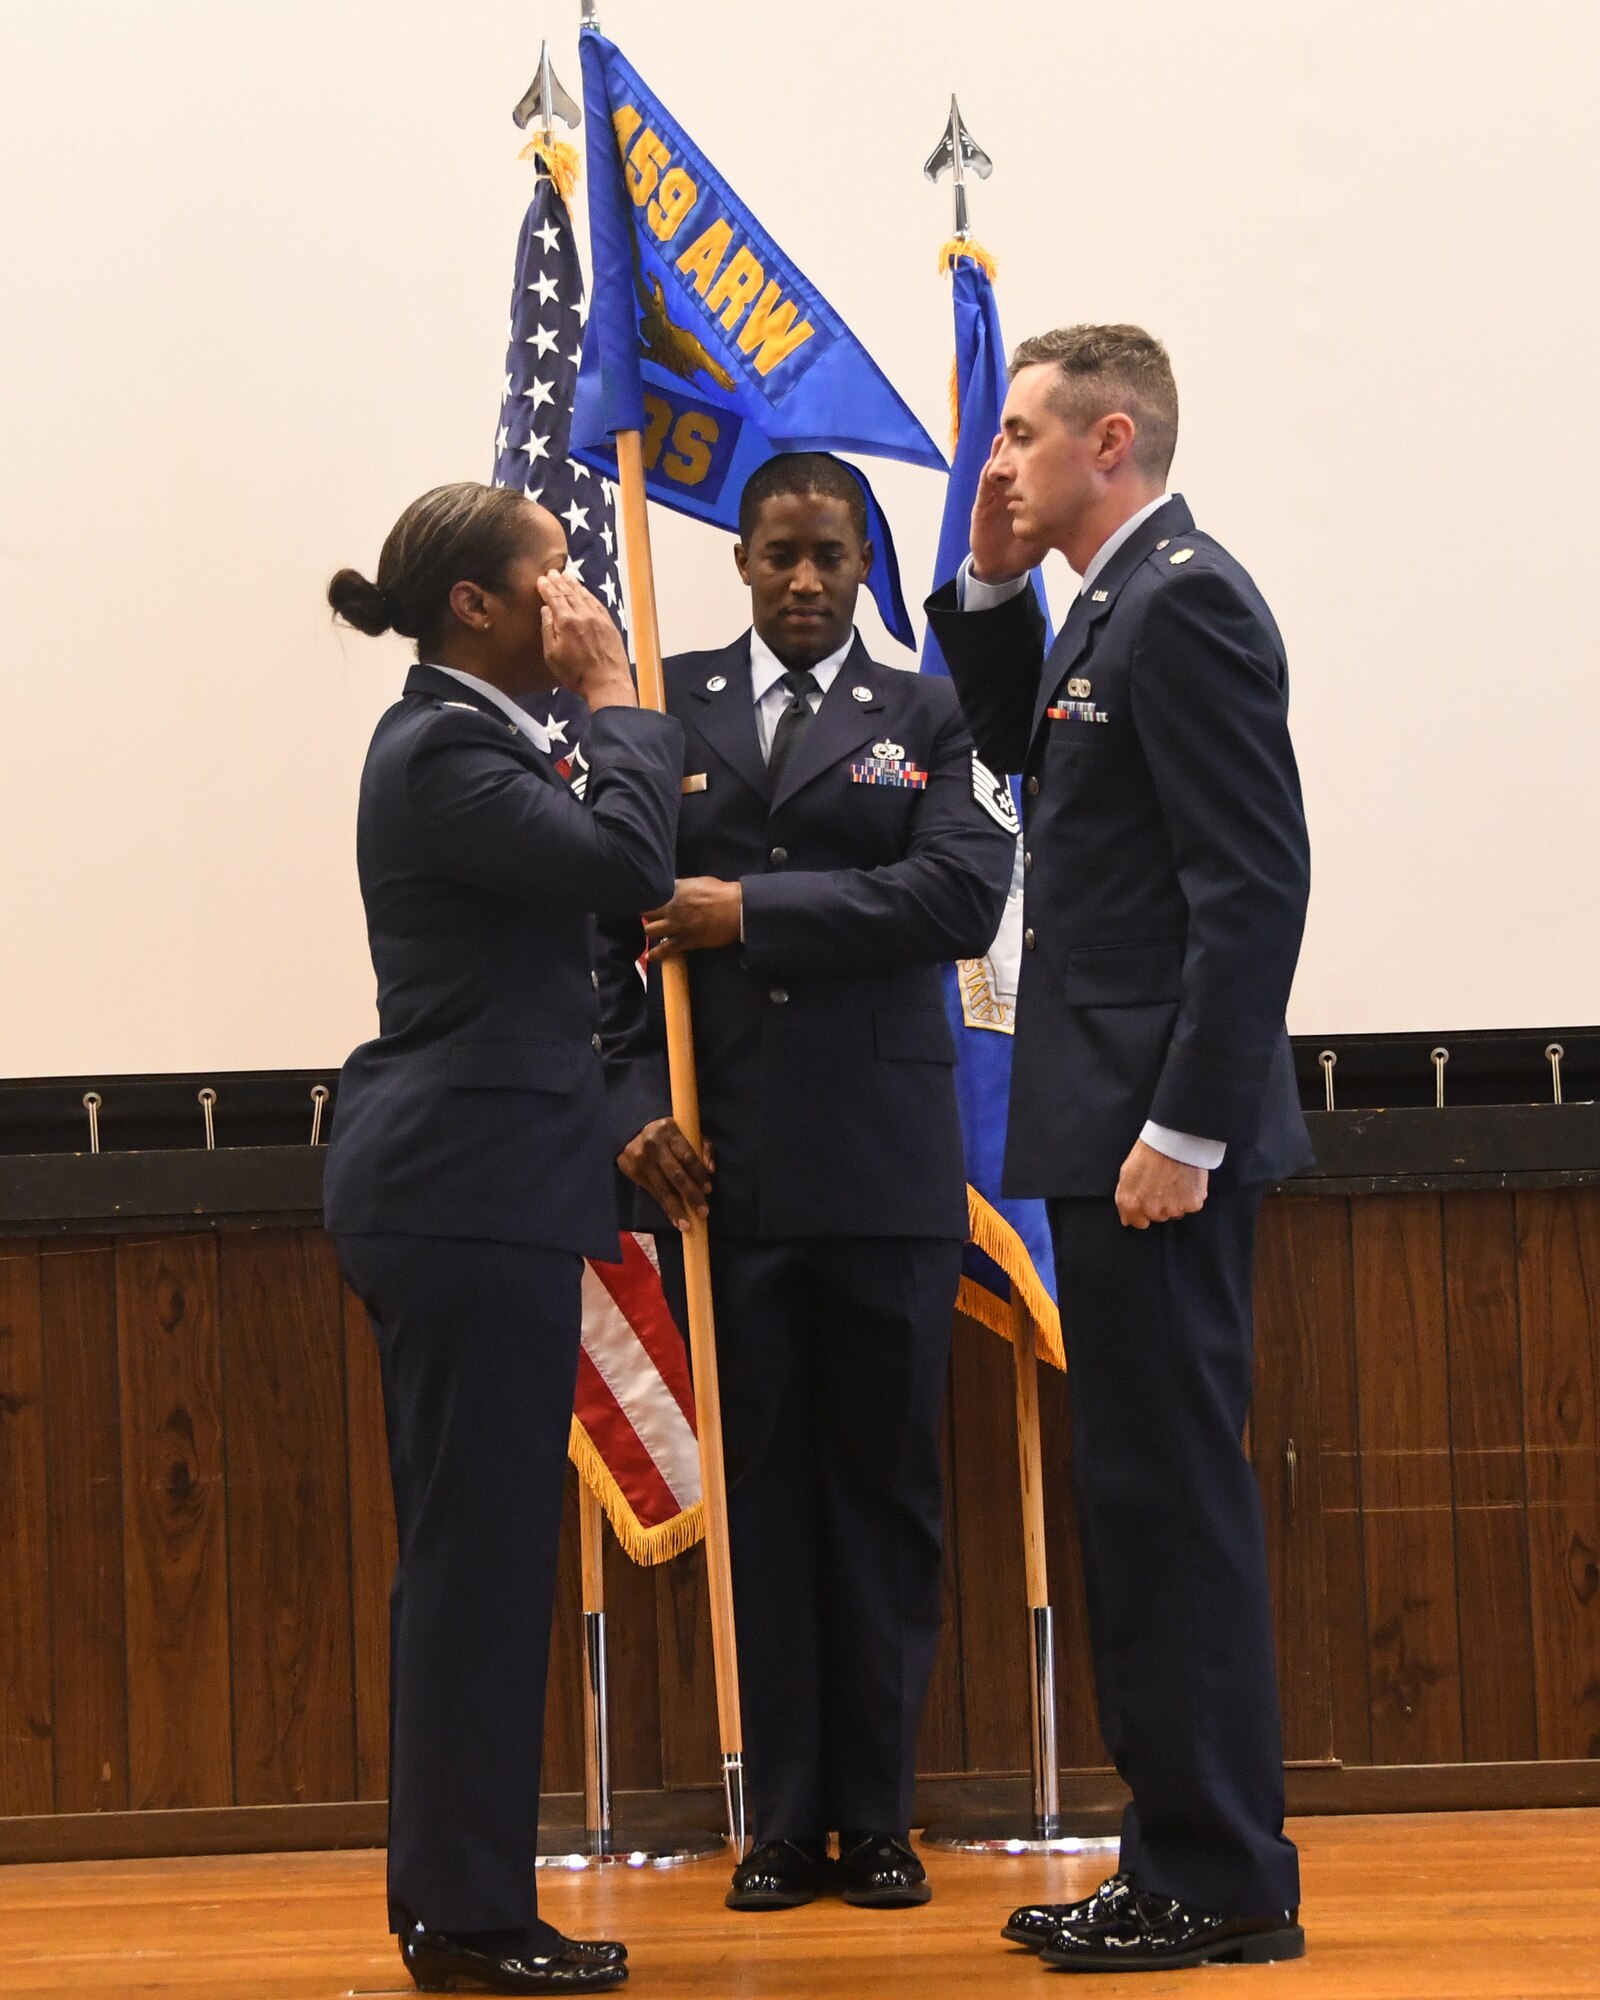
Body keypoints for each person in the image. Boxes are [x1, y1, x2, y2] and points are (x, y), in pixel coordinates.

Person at [925, 327, 1313, 1974]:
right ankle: (1178, 1853)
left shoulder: (1190, 599)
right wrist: (994, 582)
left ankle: (1220, 1875)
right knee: (1136, 1502)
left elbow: (1254, 885)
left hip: (1159, 1143)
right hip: (1110, 1131)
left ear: (1112, 440)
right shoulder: (1106, 605)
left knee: (1171, 1506)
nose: (992, 464)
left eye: (1017, 438)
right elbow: (1023, 751)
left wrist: (1187, 1123)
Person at [597, 454, 1014, 1913]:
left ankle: (880, 1815)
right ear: (741, 561)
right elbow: (611, 939)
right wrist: (631, 1105)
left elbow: (958, 895)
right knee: (764, 1496)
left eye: (830, 556)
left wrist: (750, 911)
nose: (803, 581)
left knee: (882, 1497)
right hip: (726, 1183)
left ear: (860, 563)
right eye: (778, 553)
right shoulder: (663, 712)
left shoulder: (926, 710)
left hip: (886, 1171)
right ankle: (780, 1819)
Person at [323, 482, 683, 1996]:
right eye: (553, 569)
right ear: (476, 605)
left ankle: (461, 1900)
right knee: (476, 1566)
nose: (578, 590)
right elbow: (626, 869)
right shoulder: (442, 750)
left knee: (481, 1560)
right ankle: (469, 1917)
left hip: (489, 1182)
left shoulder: (478, 742)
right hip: (460, 1186)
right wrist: (617, 699)